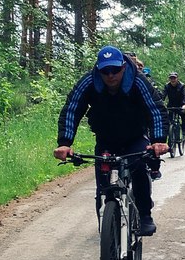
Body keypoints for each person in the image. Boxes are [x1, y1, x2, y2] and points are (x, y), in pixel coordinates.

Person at [53, 46, 169, 236]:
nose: (110, 75)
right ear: (99, 69)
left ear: (123, 67)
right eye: (105, 71)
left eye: (115, 70)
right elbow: (72, 109)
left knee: (139, 168)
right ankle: (107, 228)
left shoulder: (138, 81)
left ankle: (145, 215)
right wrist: (65, 143)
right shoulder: (88, 82)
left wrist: (158, 141)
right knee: (103, 185)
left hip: (134, 137)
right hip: (105, 139)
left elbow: (155, 109)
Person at [125, 52, 165, 179]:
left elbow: (157, 96)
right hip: (128, 120)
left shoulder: (144, 78)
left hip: (145, 116)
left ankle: (154, 168)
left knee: (150, 144)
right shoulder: (119, 77)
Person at [163, 71, 185, 138]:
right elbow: (163, 95)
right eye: (171, 78)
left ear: (177, 78)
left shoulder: (182, 86)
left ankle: (184, 130)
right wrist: (160, 102)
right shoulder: (167, 86)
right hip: (171, 105)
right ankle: (169, 133)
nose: (173, 80)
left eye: (174, 78)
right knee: (168, 120)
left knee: (183, 115)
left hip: (181, 105)